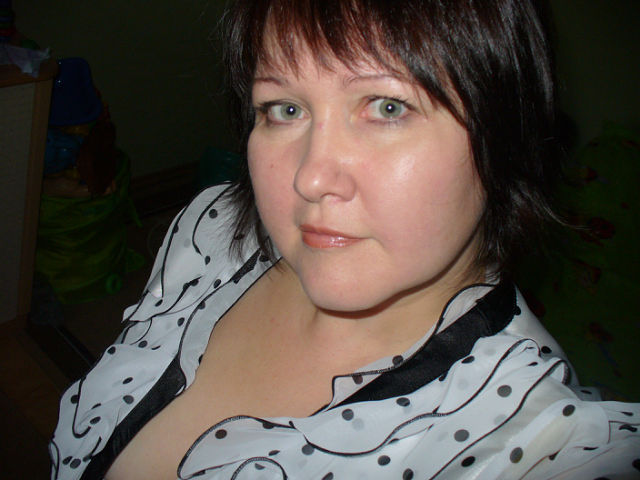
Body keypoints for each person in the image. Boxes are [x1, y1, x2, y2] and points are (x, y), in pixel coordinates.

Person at [50, 0, 640, 478]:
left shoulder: (528, 441)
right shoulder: (211, 230)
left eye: (387, 106)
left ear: (507, 133)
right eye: (284, 109)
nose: (309, 178)